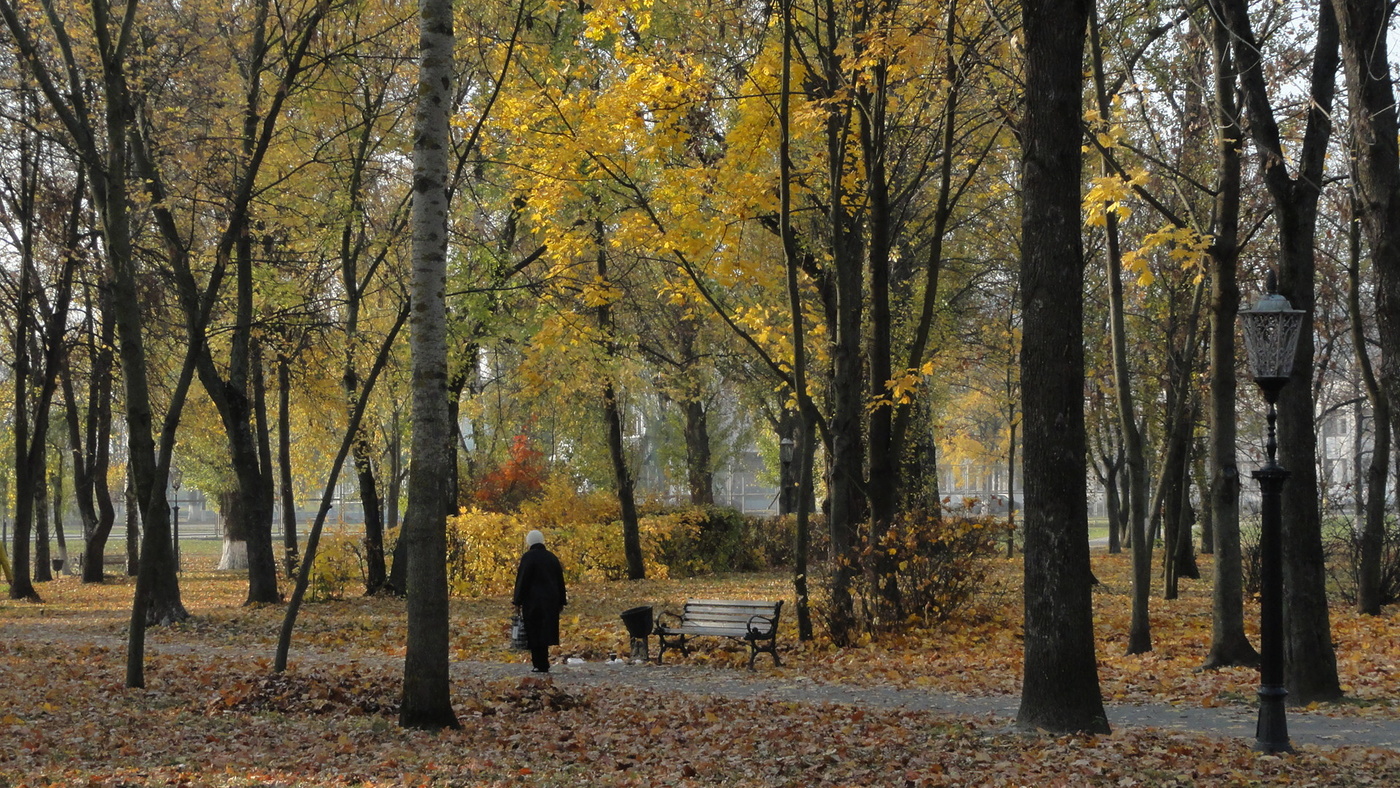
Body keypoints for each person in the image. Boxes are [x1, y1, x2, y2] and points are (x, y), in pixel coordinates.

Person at [512, 529, 567, 673]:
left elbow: (522, 580)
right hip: (551, 600)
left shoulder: (528, 558)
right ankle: (544, 662)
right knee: (545, 630)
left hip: (532, 601)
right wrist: (562, 600)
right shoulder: (552, 557)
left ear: (529, 542)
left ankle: (539, 663)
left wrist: (517, 601)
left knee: (534, 631)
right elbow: (560, 581)